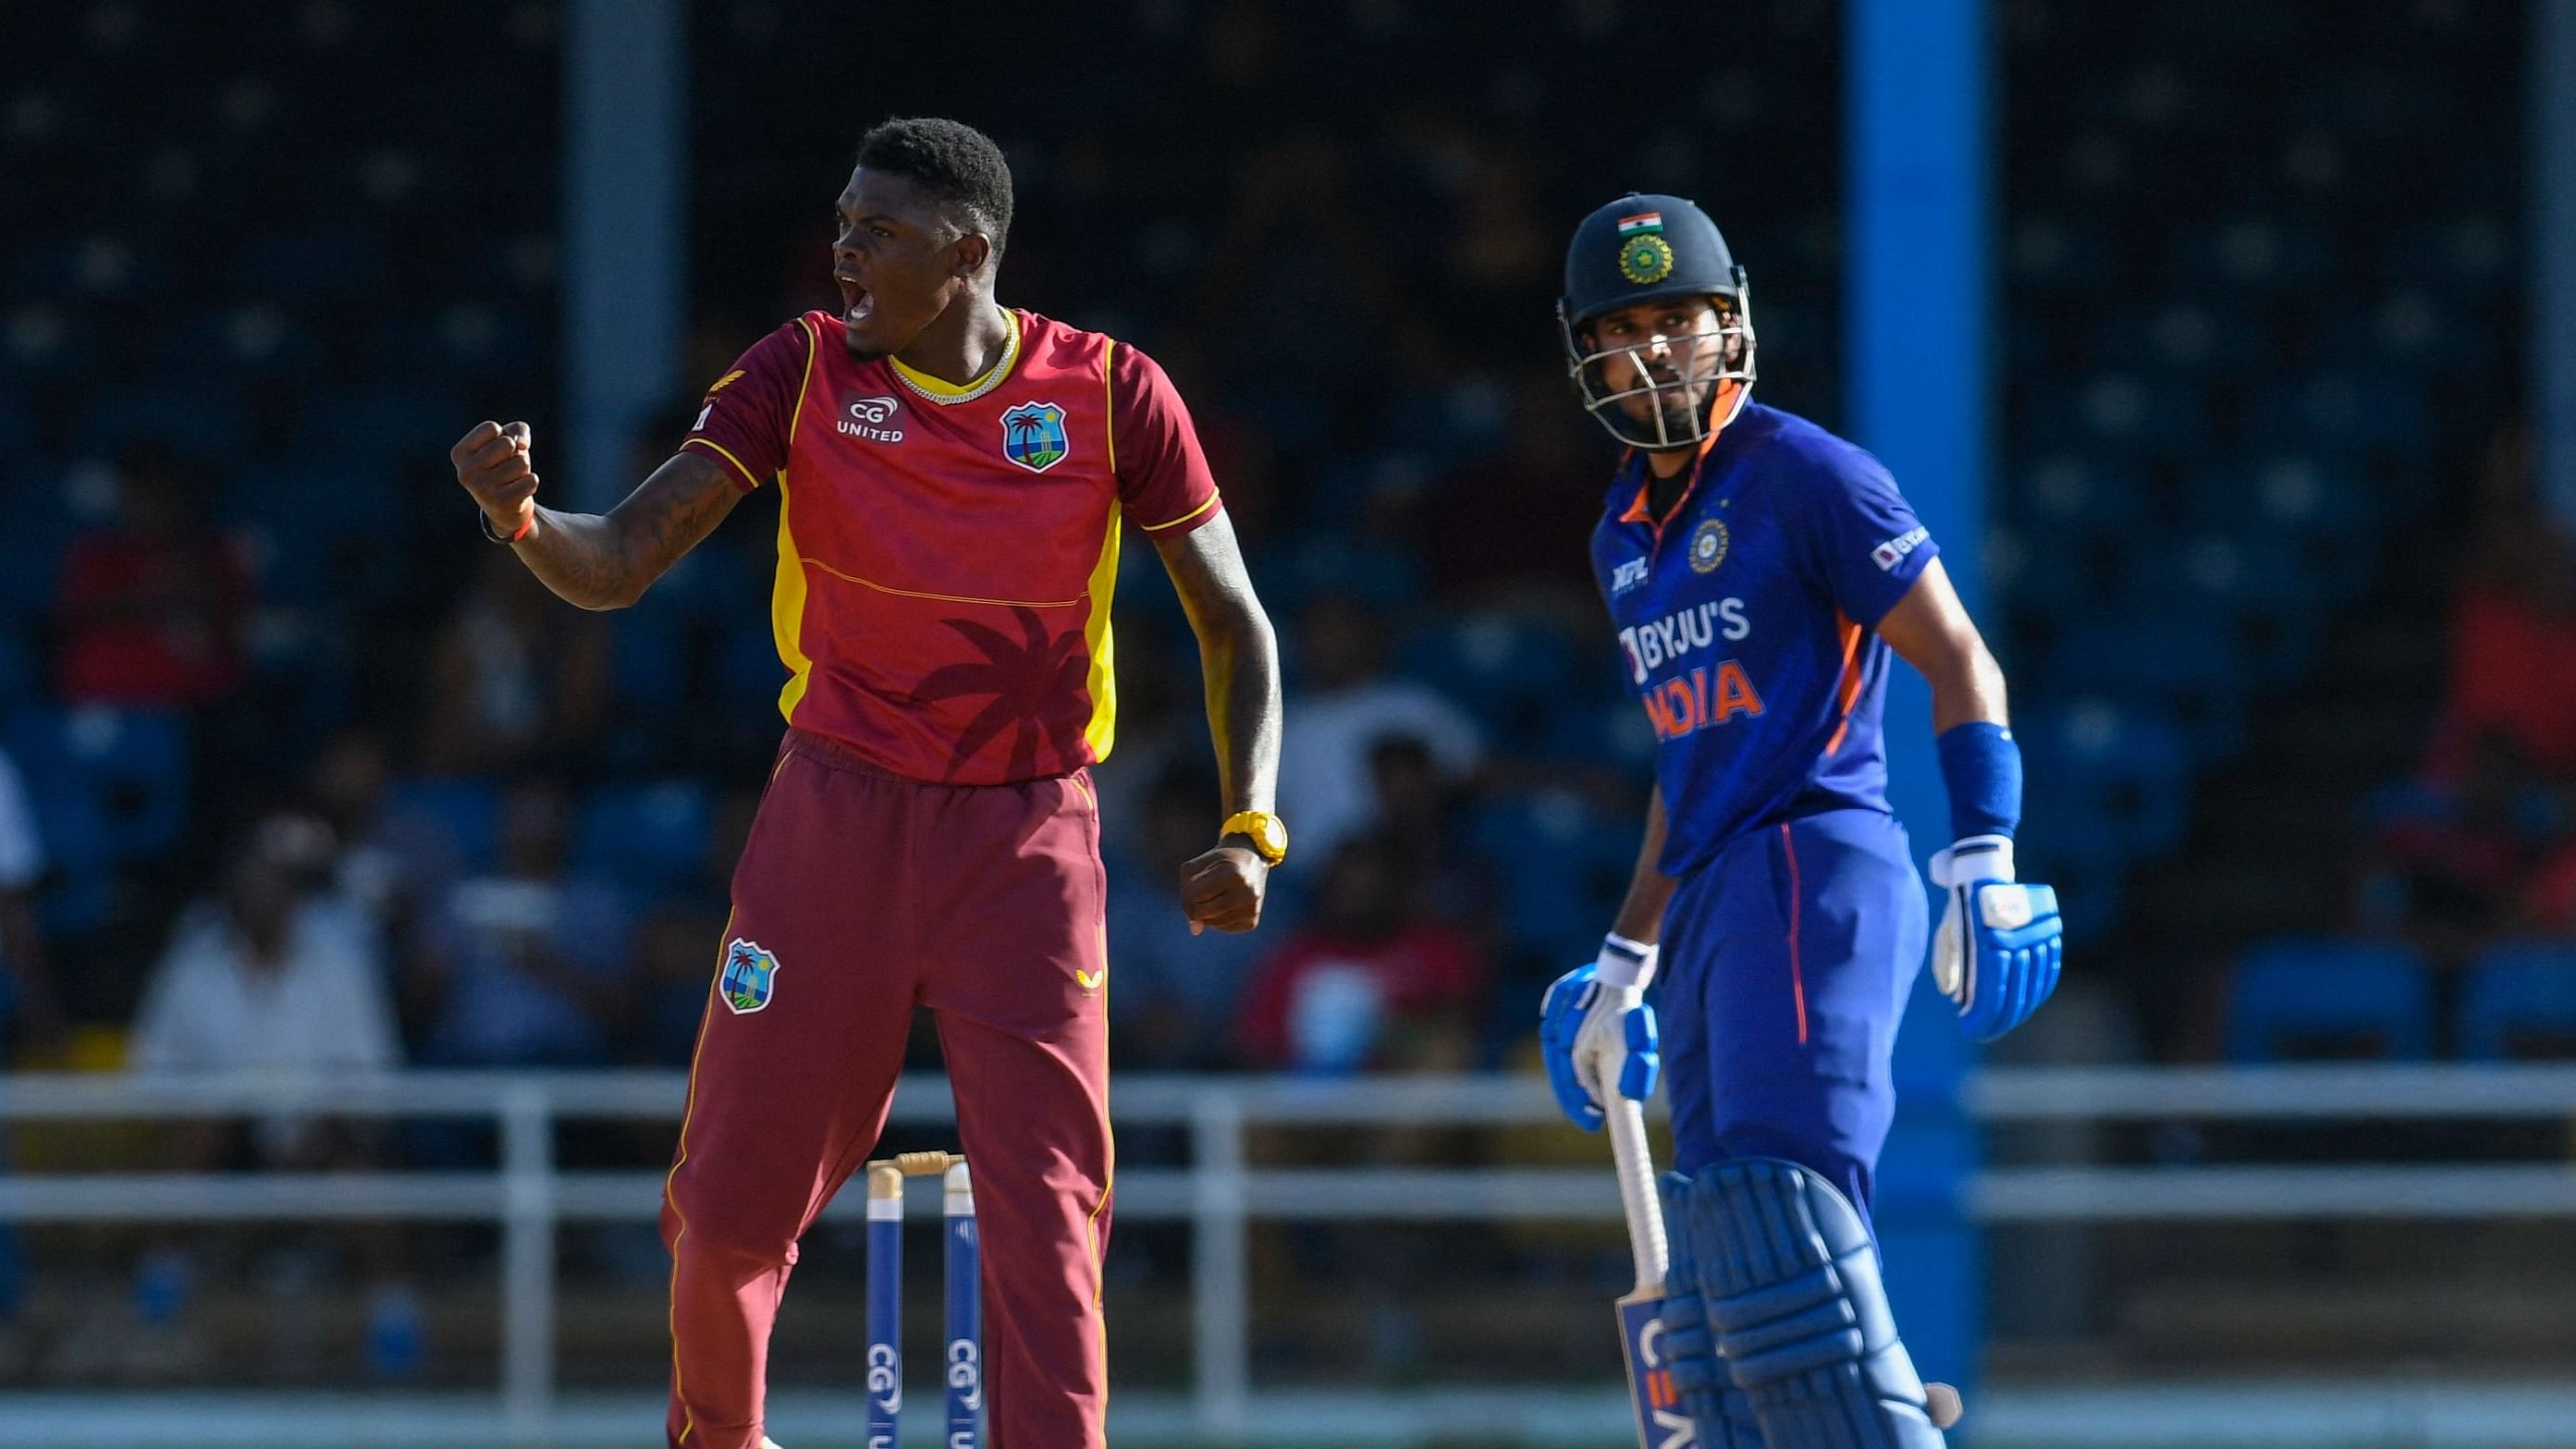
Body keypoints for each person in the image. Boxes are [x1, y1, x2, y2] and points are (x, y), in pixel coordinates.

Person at [449, 117, 1286, 1449]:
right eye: (840, 225)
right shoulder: (801, 371)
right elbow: (617, 562)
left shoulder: (1113, 390)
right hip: (831, 818)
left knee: (1050, 1208)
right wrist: (523, 521)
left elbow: (1234, 622)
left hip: (1025, 838)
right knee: (724, 1204)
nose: (841, 253)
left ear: (964, 254)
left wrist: (1250, 827)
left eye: (873, 232)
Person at [1536, 194, 2064, 1447]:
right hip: (1716, 893)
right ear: (1585, 355)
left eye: (1680, 322)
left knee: (1785, 1232)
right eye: (1624, 330)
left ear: (1731, 330)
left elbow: (1959, 659)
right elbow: (1688, 762)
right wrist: (1622, 962)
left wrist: (1981, 855)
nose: (1654, 351)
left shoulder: (1805, 473)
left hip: (1811, 868)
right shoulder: (1619, 533)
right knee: (1726, 1290)